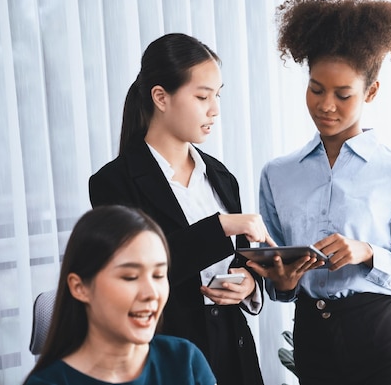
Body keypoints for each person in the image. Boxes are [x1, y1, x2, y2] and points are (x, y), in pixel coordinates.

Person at [247, 0, 391, 385]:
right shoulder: (277, 174)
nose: (325, 105)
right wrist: (282, 283)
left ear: (371, 92)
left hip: (384, 344)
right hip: (313, 342)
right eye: (316, 89)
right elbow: (273, 269)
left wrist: (368, 252)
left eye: (343, 94)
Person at [89, 33, 273, 385]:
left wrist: (249, 284)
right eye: (202, 96)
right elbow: (139, 274)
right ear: (161, 97)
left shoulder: (221, 176)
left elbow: (241, 263)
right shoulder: (114, 182)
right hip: (167, 356)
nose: (214, 109)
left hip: (234, 355)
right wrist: (219, 226)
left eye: (217, 96)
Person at [23, 205, 216, 385]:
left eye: (158, 275)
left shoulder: (185, 360)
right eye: (130, 277)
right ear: (80, 288)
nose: (152, 294)